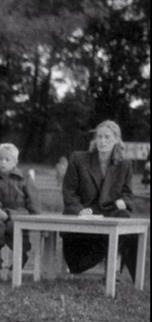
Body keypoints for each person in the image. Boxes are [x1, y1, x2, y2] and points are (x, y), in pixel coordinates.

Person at [61, 120, 138, 280]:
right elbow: (69, 192)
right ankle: (106, 268)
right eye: (99, 137)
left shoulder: (125, 164)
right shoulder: (78, 158)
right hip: (83, 217)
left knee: (127, 222)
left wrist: (124, 201)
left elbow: (128, 194)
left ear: (117, 139)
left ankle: (135, 278)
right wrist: (79, 210)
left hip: (110, 216)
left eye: (107, 137)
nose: (102, 141)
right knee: (77, 263)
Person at [0, 143, 41, 282]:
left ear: (15, 162)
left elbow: (33, 199)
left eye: (7, 160)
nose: (3, 162)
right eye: (0, 159)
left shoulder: (24, 179)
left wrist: (35, 215)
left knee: (15, 226)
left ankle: (22, 254)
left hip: (19, 213)